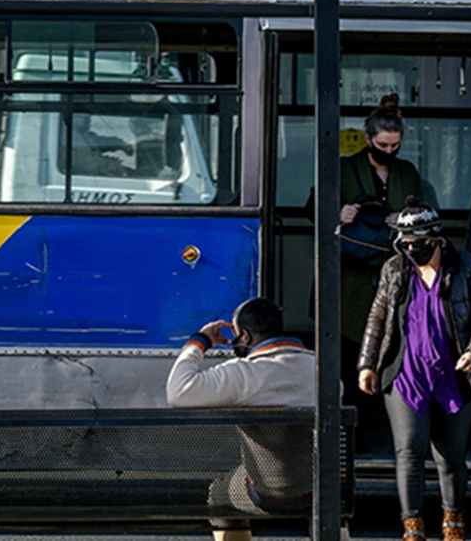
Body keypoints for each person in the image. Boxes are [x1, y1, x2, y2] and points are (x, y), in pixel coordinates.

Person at [357, 201, 471, 541]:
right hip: (406, 374)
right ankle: (413, 528)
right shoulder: (395, 269)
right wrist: (367, 364)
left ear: (436, 240)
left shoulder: (466, 267)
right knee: (408, 450)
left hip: (455, 375)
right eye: (405, 244)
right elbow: (377, 319)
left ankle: (453, 522)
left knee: (450, 456)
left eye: (417, 244)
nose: (411, 250)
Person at [167, 297, 316, 541]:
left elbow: (178, 392)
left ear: (245, 337)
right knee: (324, 501)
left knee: (219, 494)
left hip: (269, 492)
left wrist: (200, 341)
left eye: (236, 337)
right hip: (324, 487)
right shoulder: (319, 368)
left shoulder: (242, 374)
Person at [337, 94, 424, 397]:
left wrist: (406, 217)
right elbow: (313, 207)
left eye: (394, 146)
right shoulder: (344, 169)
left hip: (396, 268)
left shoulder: (407, 172)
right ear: (367, 139)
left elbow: (425, 213)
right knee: (351, 340)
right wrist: (338, 212)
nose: (388, 151)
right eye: (383, 145)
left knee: (393, 335)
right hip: (352, 272)